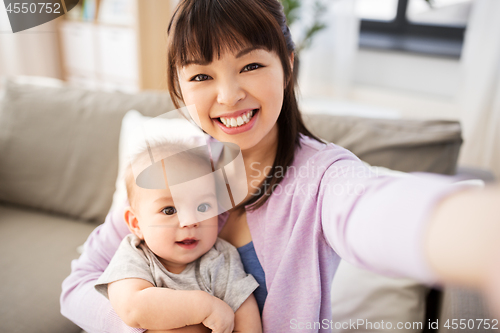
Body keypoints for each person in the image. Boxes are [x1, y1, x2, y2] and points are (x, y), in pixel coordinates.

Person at [61, 0, 500, 332]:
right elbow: (80, 283)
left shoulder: (322, 178)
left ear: (287, 66)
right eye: (201, 76)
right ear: (178, 86)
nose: (229, 95)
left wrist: (481, 232)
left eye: (250, 65)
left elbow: (375, 208)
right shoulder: (176, 167)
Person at [93, 142, 261, 333]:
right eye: (169, 210)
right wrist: (204, 307)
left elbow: (249, 324)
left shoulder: (221, 258)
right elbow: (132, 308)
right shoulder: (134, 254)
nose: (190, 221)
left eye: (203, 207)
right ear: (136, 223)